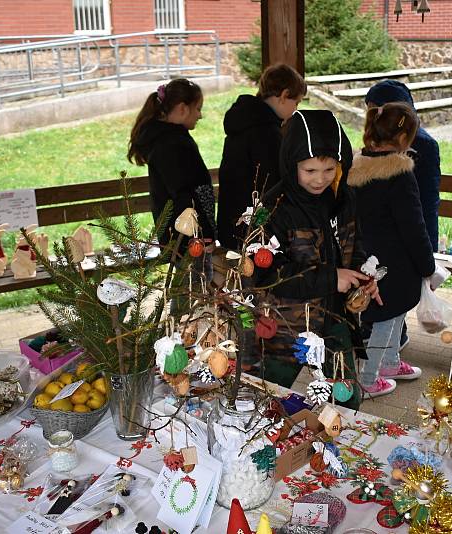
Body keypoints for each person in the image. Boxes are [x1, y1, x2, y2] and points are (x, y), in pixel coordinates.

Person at [254, 109, 380, 410]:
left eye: (329, 169)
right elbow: (265, 274)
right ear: (291, 164)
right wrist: (330, 278)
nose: (320, 179)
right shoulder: (275, 208)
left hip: (336, 319)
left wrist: (362, 280)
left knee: (346, 396)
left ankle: (338, 444)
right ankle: (262, 442)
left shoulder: (343, 198)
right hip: (288, 325)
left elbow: (354, 246)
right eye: (309, 171)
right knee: (269, 392)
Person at [348, 102, 436, 398]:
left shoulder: (356, 167)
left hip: (366, 258)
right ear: (403, 139)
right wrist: (427, 264)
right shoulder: (399, 173)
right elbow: (414, 225)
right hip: (396, 263)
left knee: (394, 312)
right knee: (386, 318)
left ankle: (389, 361)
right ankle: (369, 379)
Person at [365, 80, 442, 350]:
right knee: (387, 296)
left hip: (401, 236)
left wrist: (428, 250)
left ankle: (389, 347)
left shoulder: (422, 146)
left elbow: (426, 201)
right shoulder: (375, 150)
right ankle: (383, 353)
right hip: (387, 237)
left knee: (391, 297)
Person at [217, 64, 307, 250]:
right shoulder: (266, 132)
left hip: (232, 222)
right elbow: (272, 185)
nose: (295, 109)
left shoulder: (244, 122)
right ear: (284, 95)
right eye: (296, 102)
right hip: (253, 231)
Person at [127, 78, 216, 249]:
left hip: (184, 236)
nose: (200, 115)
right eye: (197, 109)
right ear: (183, 108)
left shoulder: (170, 140)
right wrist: (204, 236)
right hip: (187, 238)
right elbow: (183, 194)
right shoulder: (171, 144)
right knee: (195, 276)